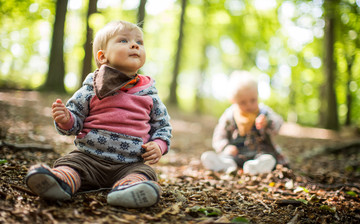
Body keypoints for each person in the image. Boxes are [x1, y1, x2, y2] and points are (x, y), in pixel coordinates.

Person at [25, 20, 172, 208]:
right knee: (70, 163)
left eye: (139, 42)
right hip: (88, 158)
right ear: (102, 57)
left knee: (145, 172)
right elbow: (75, 119)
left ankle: (129, 190)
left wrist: (159, 146)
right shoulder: (92, 88)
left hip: (129, 163)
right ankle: (60, 182)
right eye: (123, 41)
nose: (134, 45)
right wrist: (66, 119)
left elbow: (163, 126)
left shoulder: (149, 93)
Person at [201, 71, 287, 174]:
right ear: (234, 101)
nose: (249, 105)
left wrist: (267, 122)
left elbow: (279, 123)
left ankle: (257, 166)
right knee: (227, 156)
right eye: (243, 102)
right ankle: (226, 164)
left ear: (258, 95)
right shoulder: (229, 116)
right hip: (236, 154)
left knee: (267, 157)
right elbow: (219, 136)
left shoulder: (263, 112)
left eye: (253, 100)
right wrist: (225, 147)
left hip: (258, 153)